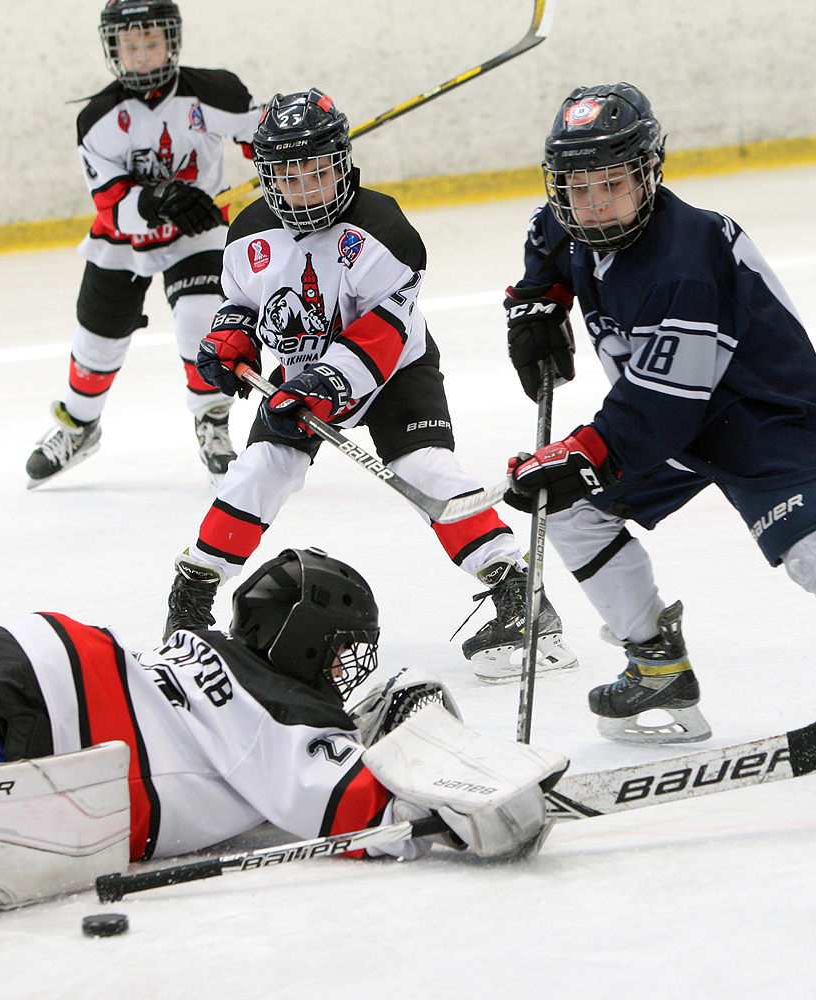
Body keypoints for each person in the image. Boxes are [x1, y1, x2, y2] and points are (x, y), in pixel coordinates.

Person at [501, 83, 816, 748]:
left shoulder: (682, 260)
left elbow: (663, 408)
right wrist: (536, 305)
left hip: (761, 414)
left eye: (609, 184)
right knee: (573, 511)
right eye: (575, 188)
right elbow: (545, 254)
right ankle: (657, 664)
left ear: (647, 174)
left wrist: (581, 454)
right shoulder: (565, 220)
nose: (591, 204)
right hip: (675, 414)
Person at [0, 548, 568, 926]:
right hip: (39, 709)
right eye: (340, 649)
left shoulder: (213, 655)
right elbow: (353, 809)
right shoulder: (281, 710)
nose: (341, 669)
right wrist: (450, 814)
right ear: (305, 641)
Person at [174, 90, 575, 682]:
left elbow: (383, 334)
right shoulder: (248, 233)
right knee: (261, 469)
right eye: (289, 175)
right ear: (266, 176)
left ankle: (521, 595)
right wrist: (230, 337)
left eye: (318, 171)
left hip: (393, 373)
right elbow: (242, 299)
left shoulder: (384, 229)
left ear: (343, 162)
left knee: (427, 472)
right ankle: (191, 601)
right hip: (295, 373)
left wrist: (324, 384)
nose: (306, 189)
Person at [25, 0, 265, 489]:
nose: (141, 53)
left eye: (150, 40)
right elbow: (111, 204)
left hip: (197, 234)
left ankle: (211, 421)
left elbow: (260, 135)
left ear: (172, 40)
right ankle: (79, 425)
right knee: (97, 339)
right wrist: (160, 199)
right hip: (123, 241)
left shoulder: (215, 92)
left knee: (201, 321)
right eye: (129, 44)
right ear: (113, 50)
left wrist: (294, 144)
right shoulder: (98, 119)